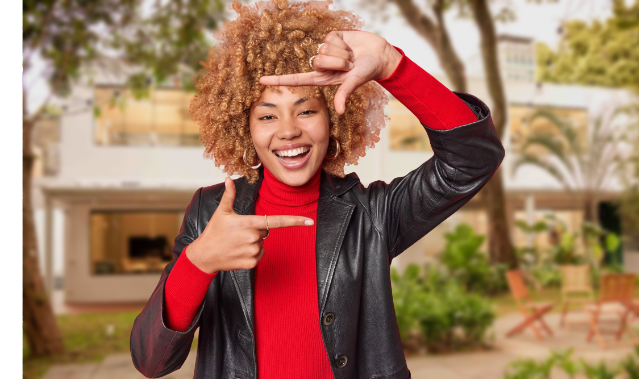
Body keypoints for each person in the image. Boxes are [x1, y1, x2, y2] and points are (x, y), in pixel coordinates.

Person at [130, 1, 504, 378]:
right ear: (245, 128)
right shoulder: (210, 212)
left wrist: (393, 66)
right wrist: (200, 261)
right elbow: (151, 361)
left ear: (334, 117)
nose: (288, 130)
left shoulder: (371, 215)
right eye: (267, 115)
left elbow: (472, 161)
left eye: (307, 110)